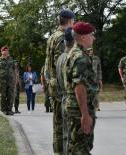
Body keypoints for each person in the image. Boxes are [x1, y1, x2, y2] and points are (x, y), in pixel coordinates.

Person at [63, 21, 97, 154]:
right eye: (91, 35)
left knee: (76, 146)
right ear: (83, 37)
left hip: (75, 108)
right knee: (80, 149)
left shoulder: (74, 53)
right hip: (79, 110)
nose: (93, 38)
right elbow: (79, 86)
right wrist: (85, 114)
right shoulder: (80, 57)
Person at [44, 9, 74, 155]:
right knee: (64, 126)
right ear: (70, 20)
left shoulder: (51, 36)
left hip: (53, 84)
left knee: (57, 125)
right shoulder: (62, 37)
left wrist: (49, 81)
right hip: (61, 87)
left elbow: (46, 65)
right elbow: (62, 65)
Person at [56, 27, 74, 155]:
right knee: (74, 138)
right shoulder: (71, 58)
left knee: (65, 135)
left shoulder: (60, 58)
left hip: (63, 98)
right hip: (72, 101)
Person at [0, 46, 16, 115]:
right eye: (4, 50)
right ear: (2, 52)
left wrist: (16, 78)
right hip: (2, 81)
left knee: (10, 95)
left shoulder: (11, 59)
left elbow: (14, 70)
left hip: (10, 81)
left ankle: (9, 109)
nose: (6, 51)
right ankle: (3, 109)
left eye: (7, 50)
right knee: (3, 95)